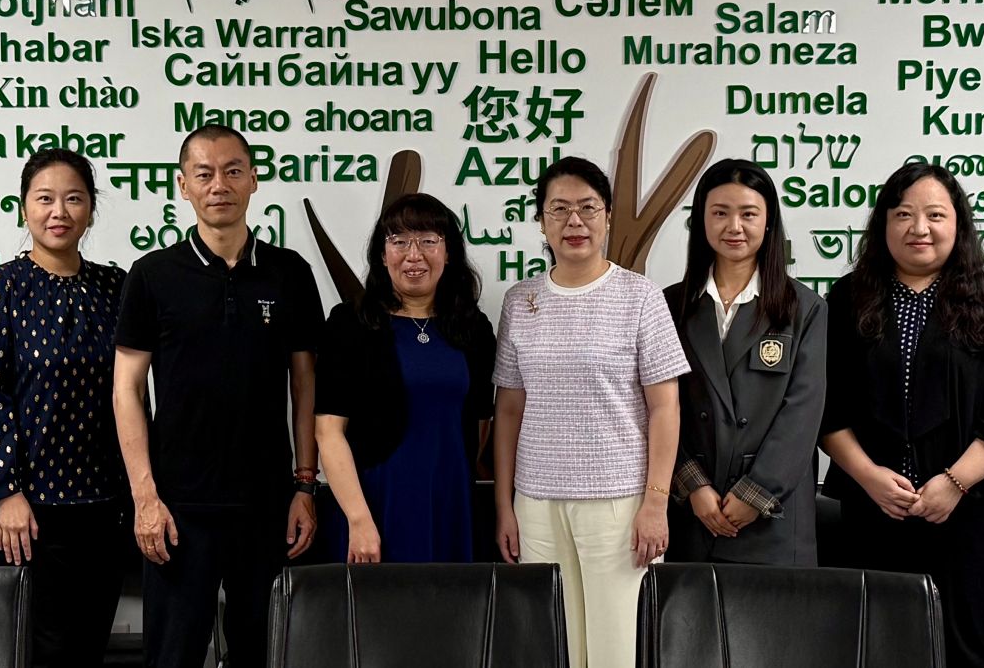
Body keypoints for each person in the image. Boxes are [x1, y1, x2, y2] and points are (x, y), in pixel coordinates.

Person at [113, 125, 325, 668]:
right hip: (177, 507)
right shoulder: (152, 275)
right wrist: (145, 498)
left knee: (265, 654)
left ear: (253, 179)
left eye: (233, 171)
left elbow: (305, 385)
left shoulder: (290, 273)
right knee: (173, 656)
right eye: (204, 173)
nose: (219, 185)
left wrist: (305, 485)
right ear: (183, 186)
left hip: (267, 504)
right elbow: (127, 389)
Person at [819, 163, 984, 668]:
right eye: (903, 214)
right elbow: (827, 410)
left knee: (967, 649)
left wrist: (954, 483)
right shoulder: (847, 299)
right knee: (877, 647)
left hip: (967, 511)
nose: (920, 228)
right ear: (883, 223)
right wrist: (870, 477)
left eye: (935, 215)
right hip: (872, 510)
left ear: (958, 224)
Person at [492, 157, 687, 668]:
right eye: (559, 209)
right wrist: (504, 504)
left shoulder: (640, 296)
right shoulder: (520, 300)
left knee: (616, 649)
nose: (573, 221)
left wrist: (656, 503)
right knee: (550, 644)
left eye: (587, 208)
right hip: (536, 504)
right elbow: (508, 410)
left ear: (607, 217)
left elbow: (665, 407)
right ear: (541, 220)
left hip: (618, 504)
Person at [0, 149, 132, 667]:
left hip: (105, 503)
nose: (59, 211)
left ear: (91, 210)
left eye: (73, 199)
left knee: (89, 645)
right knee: (38, 648)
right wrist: (6, 491)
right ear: (24, 208)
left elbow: (133, 393)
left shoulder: (116, 286)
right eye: (45, 199)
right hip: (28, 508)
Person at [663, 159, 827, 567]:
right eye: (720, 213)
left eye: (748, 214)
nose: (734, 227)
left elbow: (803, 413)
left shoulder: (804, 308)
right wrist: (692, 485)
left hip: (774, 519)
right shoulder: (670, 304)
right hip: (694, 512)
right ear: (701, 220)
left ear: (768, 222)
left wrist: (756, 493)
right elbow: (658, 406)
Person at [315, 193, 493, 564]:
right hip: (374, 503)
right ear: (382, 255)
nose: (414, 255)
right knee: (378, 601)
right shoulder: (351, 324)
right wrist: (359, 519)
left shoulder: (473, 328)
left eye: (428, 240)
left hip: (451, 501)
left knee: (452, 599)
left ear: (448, 252)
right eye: (399, 242)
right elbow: (328, 432)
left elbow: (481, 422)